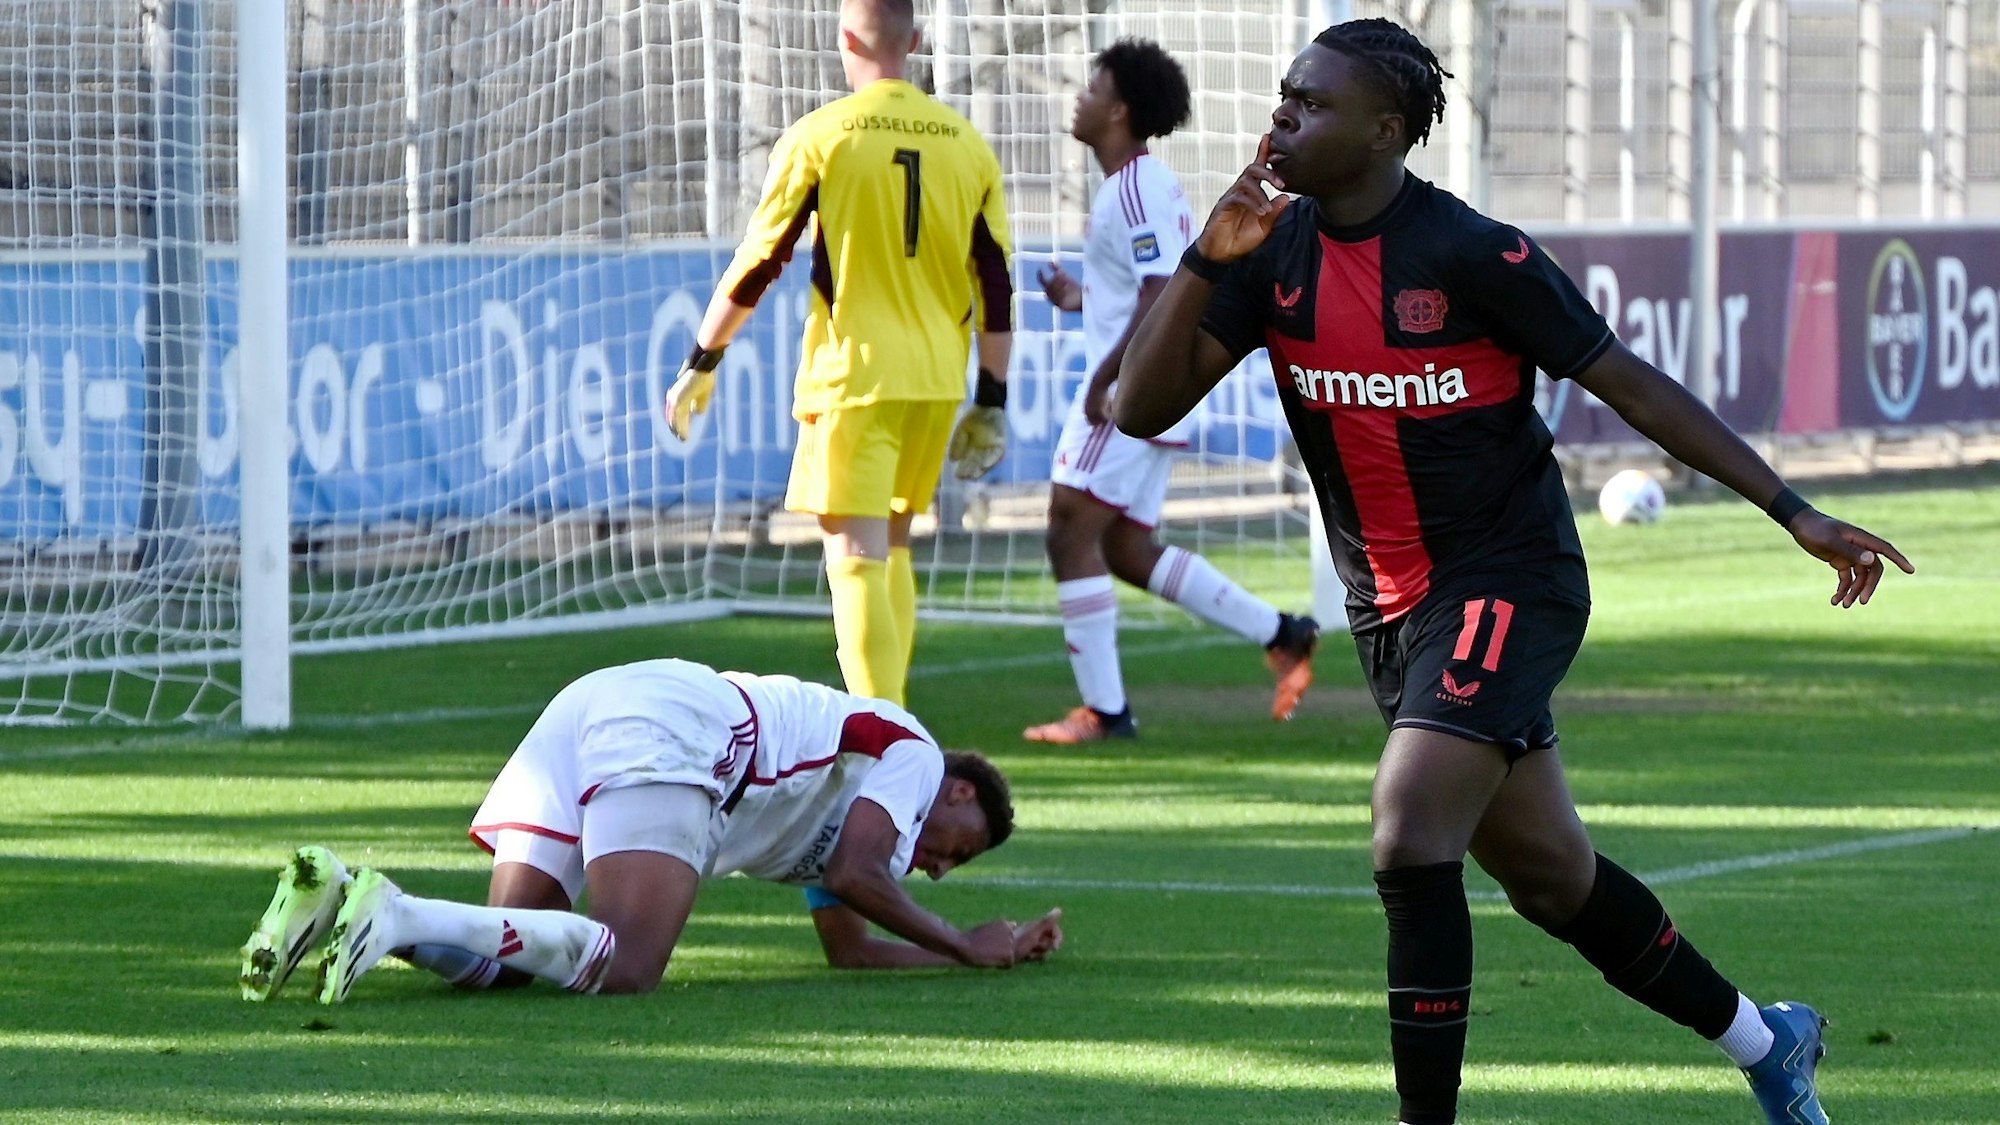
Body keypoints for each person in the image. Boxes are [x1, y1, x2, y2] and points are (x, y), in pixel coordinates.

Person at [1114, 18, 1913, 1125]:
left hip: (1508, 579)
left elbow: (1628, 384)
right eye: (1284, 96)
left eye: (1314, 102)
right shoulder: (1270, 258)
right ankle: (1765, 1040)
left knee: (1405, 827)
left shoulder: (1470, 253)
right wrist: (1208, 258)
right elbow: (1136, 409)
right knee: (1547, 876)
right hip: (1387, 614)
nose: (1283, 115)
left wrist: (1791, 510)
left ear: (1385, 130)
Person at [238, 659, 1063, 1004]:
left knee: (506, 967)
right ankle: (401, 914)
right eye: (960, 843)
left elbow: (851, 946)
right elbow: (858, 872)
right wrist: (965, 941)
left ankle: (348, 896)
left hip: (597, 702)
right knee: (626, 966)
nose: (944, 865)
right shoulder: (911, 753)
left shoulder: (851, 813)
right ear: (954, 789)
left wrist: (969, 950)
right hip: (682, 725)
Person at [664, 0, 1015, 710]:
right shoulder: (965, 143)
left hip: (855, 375)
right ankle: (895, 721)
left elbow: (761, 261)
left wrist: (703, 359)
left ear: (843, 39)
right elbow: (998, 285)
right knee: (892, 542)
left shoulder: (823, 136)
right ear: (915, 41)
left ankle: (887, 737)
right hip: (937, 379)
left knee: (851, 554)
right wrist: (994, 398)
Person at [1025, 38, 1320, 745]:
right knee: (1125, 546)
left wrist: (1105, 382)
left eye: (1092, 86)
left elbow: (1163, 290)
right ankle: (1283, 633)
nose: (1080, 97)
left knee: (1069, 529)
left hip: (1135, 384)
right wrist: (1081, 295)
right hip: (1153, 377)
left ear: (1120, 107)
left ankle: (1106, 713)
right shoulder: (1131, 186)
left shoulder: (1136, 184)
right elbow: (1143, 284)